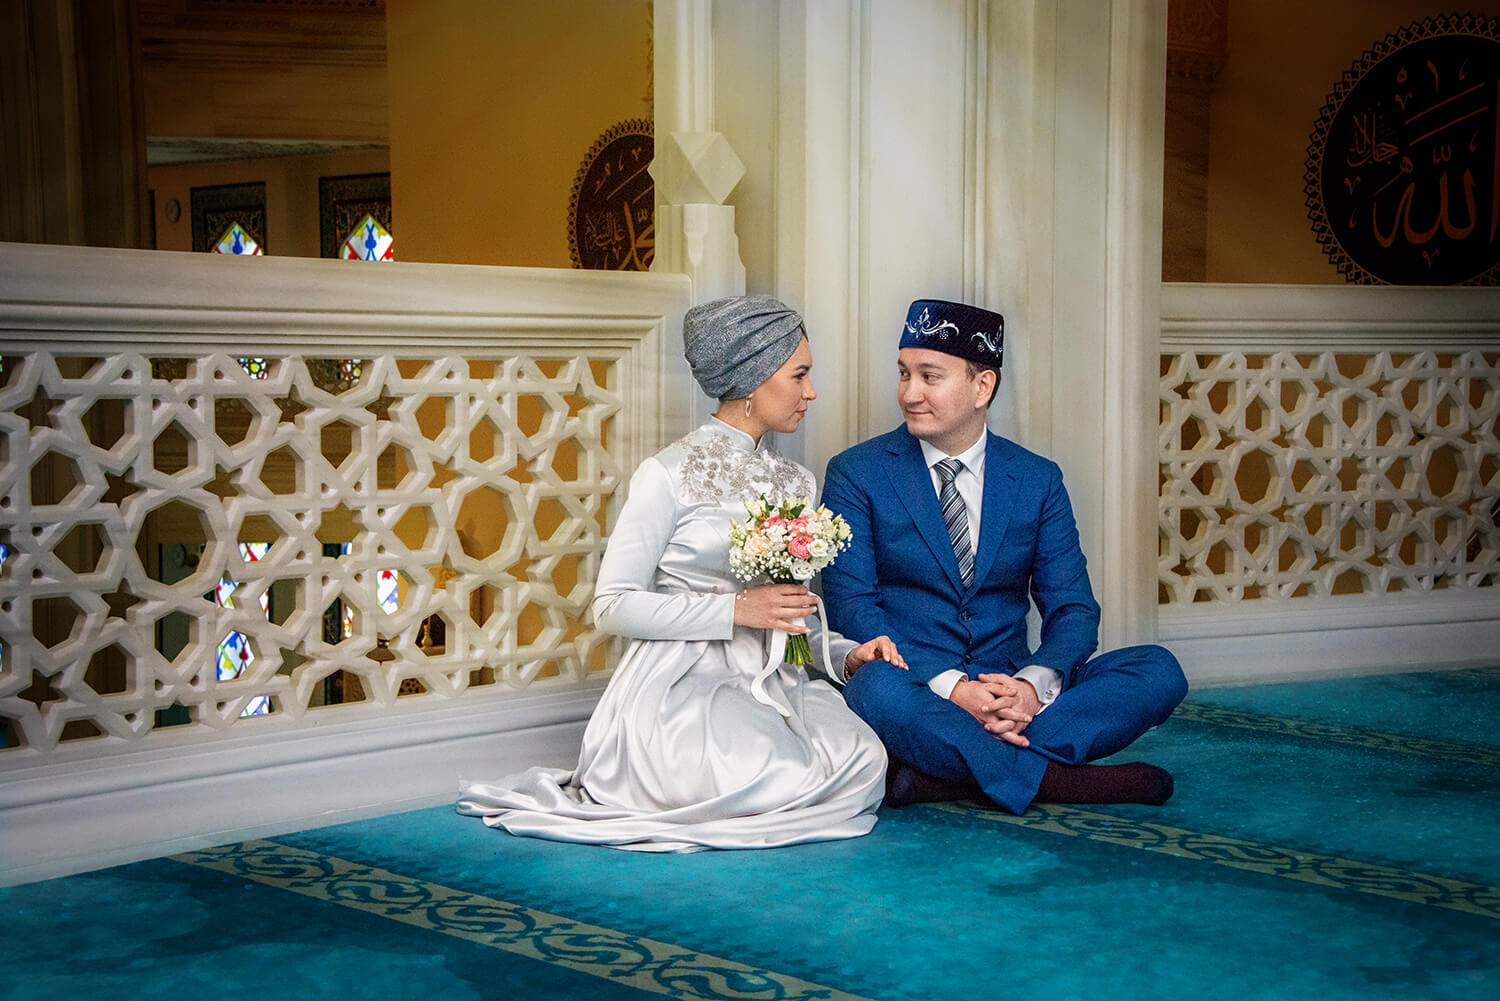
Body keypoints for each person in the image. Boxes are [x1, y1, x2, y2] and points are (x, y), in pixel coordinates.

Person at [459, 295, 903, 850]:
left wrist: (843, 655)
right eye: (800, 375)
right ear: (752, 377)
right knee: (763, 768)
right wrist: (735, 610)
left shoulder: (795, 481)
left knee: (863, 758)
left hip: (775, 680)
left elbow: (787, 612)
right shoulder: (666, 474)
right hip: (681, 684)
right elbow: (613, 605)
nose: (811, 392)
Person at [821, 298, 1187, 814]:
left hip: (1012, 687)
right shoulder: (856, 473)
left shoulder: (1037, 479)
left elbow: (1074, 610)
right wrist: (955, 690)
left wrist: (1029, 688)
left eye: (929, 377)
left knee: (1157, 670)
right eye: (903, 374)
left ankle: (946, 775)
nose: (909, 393)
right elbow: (853, 609)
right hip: (918, 683)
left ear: (983, 386)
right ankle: (1062, 781)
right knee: (873, 690)